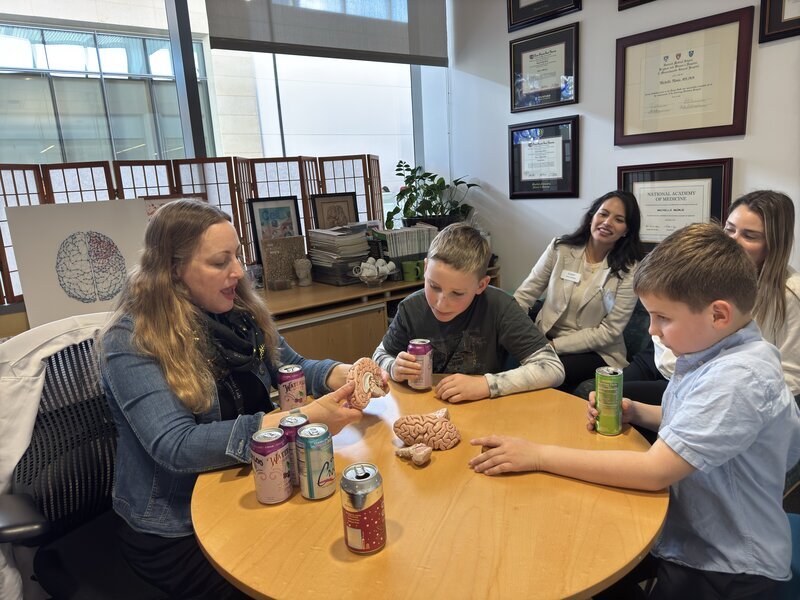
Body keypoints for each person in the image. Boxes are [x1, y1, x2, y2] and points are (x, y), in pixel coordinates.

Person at [470, 223, 800, 599]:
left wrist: (538, 455)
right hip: (689, 533)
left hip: (727, 565)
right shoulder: (716, 347)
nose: (654, 332)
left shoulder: (739, 377)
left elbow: (654, 471)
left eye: (663, 318)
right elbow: (698, 421)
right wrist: (637, 412)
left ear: (718, 314)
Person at [99, 200, 365, 599]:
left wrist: (342, 373)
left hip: (252, 487)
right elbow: (176, 446)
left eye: (237, 255)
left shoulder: (236, 311)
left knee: (333, 560)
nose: (238, 272)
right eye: (220, 262)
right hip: (176, 530)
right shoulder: (131, 340)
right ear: (173, 270)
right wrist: (299, 419)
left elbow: (289, 365)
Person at [615, 190, 800, 408]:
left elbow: (788, 377)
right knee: (605, 390)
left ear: (773, 245)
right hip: (666, 357)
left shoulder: (790, 294)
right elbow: (664, 325)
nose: (732, 241)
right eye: (729, 229)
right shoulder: (705, 270)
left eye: (749, 236)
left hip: (705, 377)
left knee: (617, 398)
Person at [372, 222, 564, 402]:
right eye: (433, 286)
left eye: (457, 293)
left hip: (481, 412)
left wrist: (487, 385)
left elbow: (553, 368)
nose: (441, 303)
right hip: (422, 407)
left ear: (481, 285)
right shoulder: (411, 308)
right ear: (425, 268)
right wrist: (394, 368)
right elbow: (379, 356)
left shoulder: (500, 306)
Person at [513, 190, 644, 392]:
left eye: (618, 219)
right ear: (592, 215)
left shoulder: (629, 269)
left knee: (546, 372)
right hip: (543, 337)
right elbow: (525, 295)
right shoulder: (560, 249)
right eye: (603, 213)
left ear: (626, 230)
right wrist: (515, 332)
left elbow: (609, 332)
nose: (607, 222)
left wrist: (553, 346)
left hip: (596, 351)